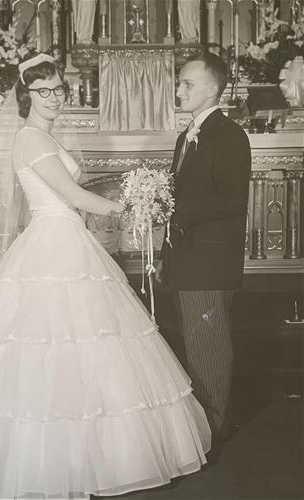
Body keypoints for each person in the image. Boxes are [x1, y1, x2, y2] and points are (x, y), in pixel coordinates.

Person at [0, 54, 211, 500]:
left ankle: (94, 455)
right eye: (43, 90)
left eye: (58, 89)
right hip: (53, 239)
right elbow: (72, 195)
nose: (53, 97)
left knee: (88, 337)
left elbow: (73, 195)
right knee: (52, 340)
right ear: (26, 95)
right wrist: (131, 208)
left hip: (66, 235)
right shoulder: (30, 139)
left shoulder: (44, 136)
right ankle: (48, 459)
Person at [158, 52, 252, 444]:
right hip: (188, 260)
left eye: (187, 84)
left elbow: (232, 199)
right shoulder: (187, 135)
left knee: (209, 350)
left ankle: (213, 433)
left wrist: (173, 209)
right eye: (179, 83)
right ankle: (204, 428)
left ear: (213, 88)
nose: (179, 91)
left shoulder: (230, 136)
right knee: (197, 348)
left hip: (209, 263)